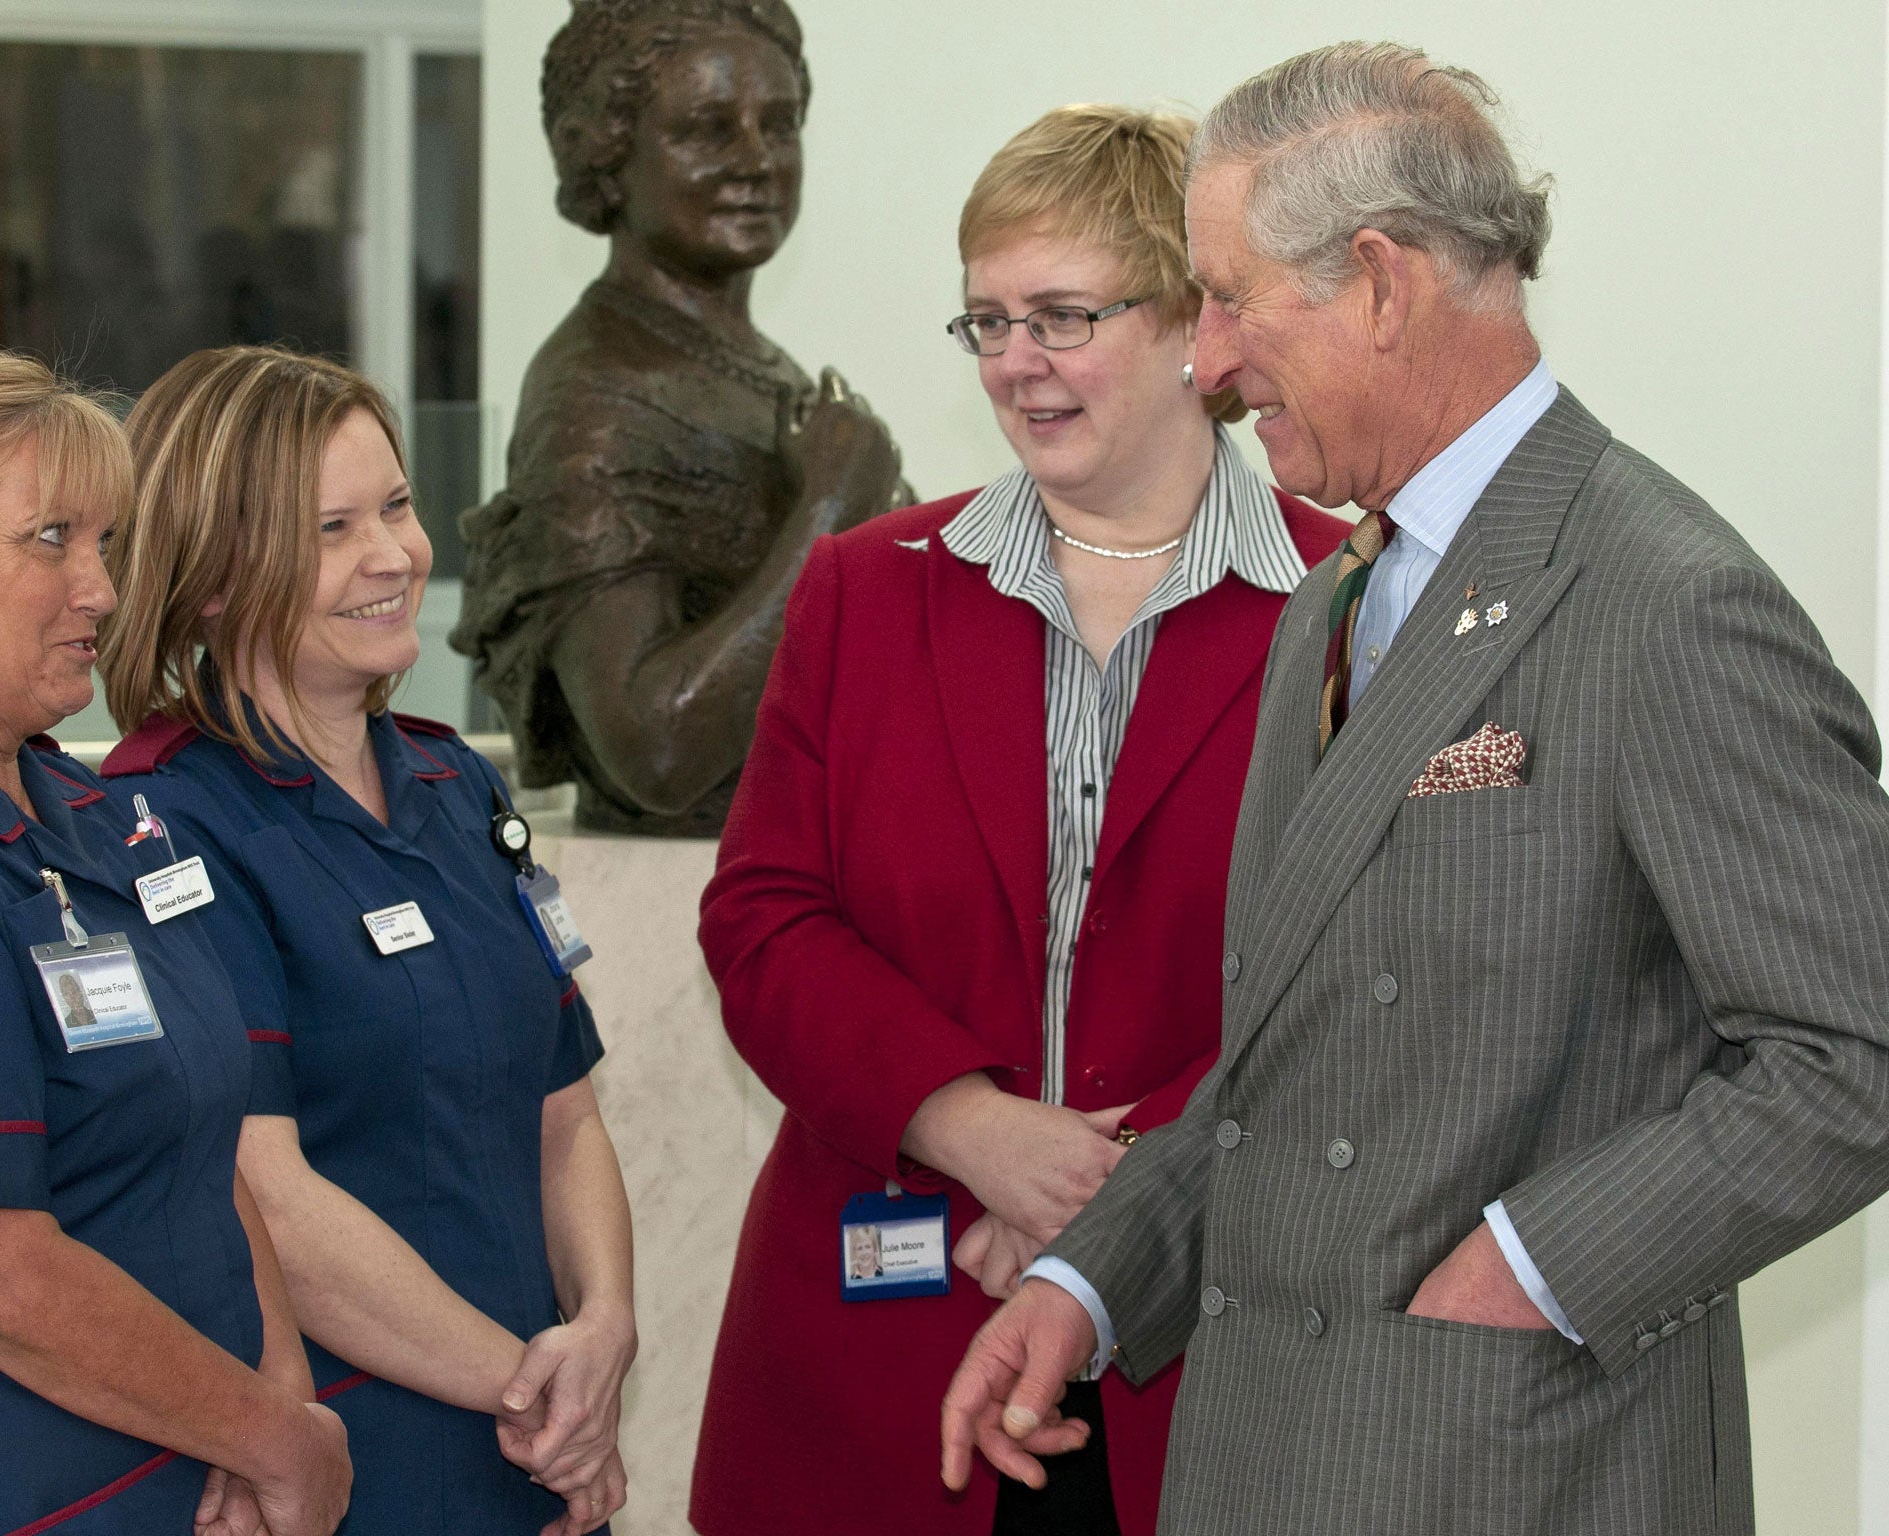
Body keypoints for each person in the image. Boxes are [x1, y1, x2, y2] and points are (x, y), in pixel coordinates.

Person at [942, 43, 1889, 1536]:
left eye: (1230, 298)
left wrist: (1538, 1263)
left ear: (1379, 284)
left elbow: (1857, 1053)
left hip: (1515, 1467)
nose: (1205, 362)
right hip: (1270, 1459)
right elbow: (1280, 1069)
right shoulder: (1333, 603)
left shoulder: (1667, 599)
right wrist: (1091, 1280)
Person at [694, 106, 1341, 1536]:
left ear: (1194, 324)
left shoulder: (1347, 604)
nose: (1014, 365)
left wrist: (1111, 1186)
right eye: (985, 321)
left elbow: (1364, 976)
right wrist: (967, 1124)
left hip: (1201, 1346)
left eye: (1062, 316)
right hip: (884, 1342)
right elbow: (762, 919)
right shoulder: (867, 590)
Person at [98, 346, 636, 1536]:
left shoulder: (452, 785)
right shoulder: (161, 822)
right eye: (331, 529)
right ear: (217, 578)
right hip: (355, 1457)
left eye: (394, 506)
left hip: (537, 1437)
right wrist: (540, 1399)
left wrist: (604, 1332)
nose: (392, 556)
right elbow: (266, 1197)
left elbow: (567, 1119)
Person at [0, 298, 351, 1535]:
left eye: (108, 541)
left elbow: (205, 1144)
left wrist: (267, 1418)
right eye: (51, 540)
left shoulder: (88, 812)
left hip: (187, 1476)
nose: (103, 588)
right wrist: (271, 1442)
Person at [451, 0, 909, 836]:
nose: (757, 160)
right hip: (677, 889)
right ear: (609, 156)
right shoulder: (595, 396)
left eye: (780, 123)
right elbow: (654, 749)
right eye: (706, 128)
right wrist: (832, 509)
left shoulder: (751, 363)